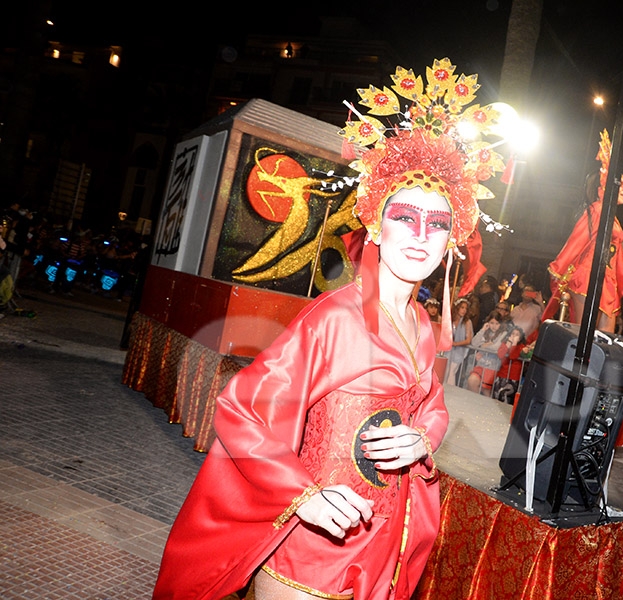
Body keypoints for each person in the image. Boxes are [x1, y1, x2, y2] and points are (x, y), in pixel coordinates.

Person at [153, 57, 513, 600]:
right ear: (375, 223)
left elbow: (431, 404)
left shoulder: (419, 321)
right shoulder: (336, 317)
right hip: (314, 550)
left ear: (452, 242)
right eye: (404, 217)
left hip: (383, 542)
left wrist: (423, 437)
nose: (421, 234)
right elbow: (240, 408)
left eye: (437, 224)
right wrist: (303, 496)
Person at [545, 130, 623, 332]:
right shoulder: (598, 209)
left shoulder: (613, 218)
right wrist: (559, 267)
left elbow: (617, 255)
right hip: (588, 277)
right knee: (583, 333)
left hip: (607, 280)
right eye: (621, 186)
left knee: (605, 337)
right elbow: (578, 239)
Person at [466, 310, 506, 395]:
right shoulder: (485, 332)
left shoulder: (503, 333)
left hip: (493, 367)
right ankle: (474, 403)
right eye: (491, 323)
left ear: (500, 324)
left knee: (486, 392)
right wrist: (483, 330)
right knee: (471, 381)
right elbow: (474, 343)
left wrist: (483, 346)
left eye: (497, 323)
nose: (494, 326)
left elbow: (496, 348)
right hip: (481, 365)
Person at [493, 326, 527, 404]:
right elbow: (500, 355)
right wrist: (508, 344)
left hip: (513, 378)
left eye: (517, 334)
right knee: (496, 395)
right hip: (502, 375)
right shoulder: (505, 344)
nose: (514, 336)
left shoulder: (521, 347)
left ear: (520, 338)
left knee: (503, 394)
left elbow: (512, 356)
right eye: (513, 333)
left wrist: (514, 344)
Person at [445, 297, 473, 386]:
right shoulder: (451, 320)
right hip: (448, 350)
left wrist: (455, 344)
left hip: (459, 351)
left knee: (452, 371)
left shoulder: (467, 322)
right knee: (445, 370)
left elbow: (468, 340)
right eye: (462, 307)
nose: (464, 310)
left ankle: (450, 391)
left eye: (466, 308)